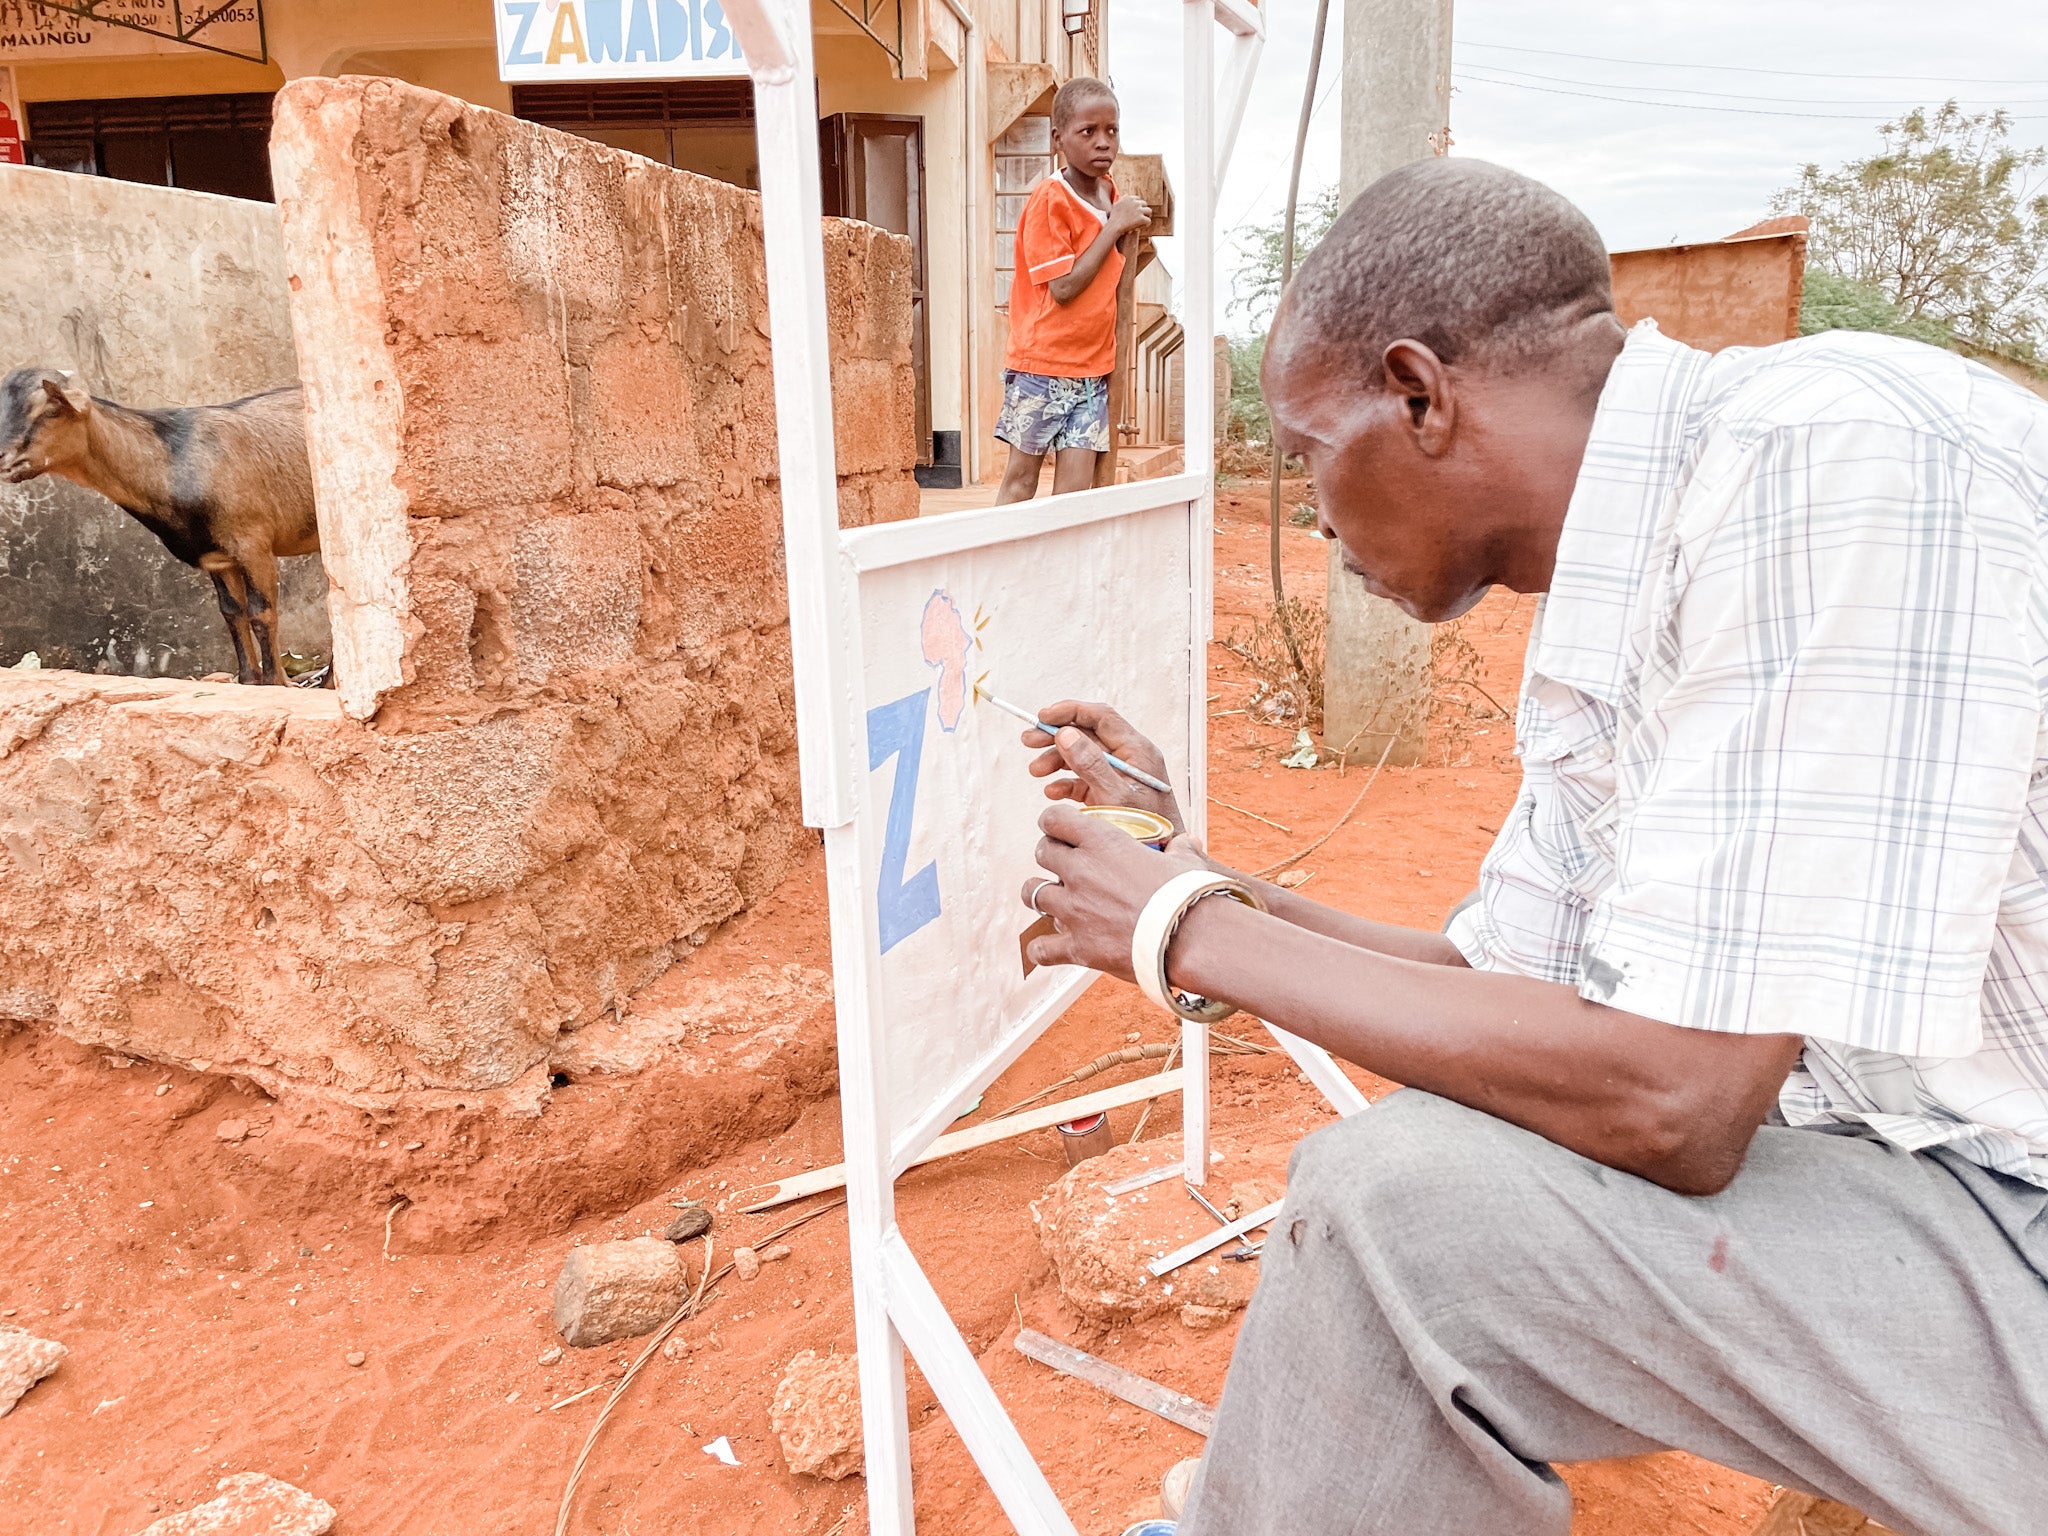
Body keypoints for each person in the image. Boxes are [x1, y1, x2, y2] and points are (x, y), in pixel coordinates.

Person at [1019, 158, 2048, 1536]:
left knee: (1404, 1214)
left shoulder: (1833, 462)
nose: (1313, 520)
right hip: (1951, 1184)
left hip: (2010, 1210)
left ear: (1421, 395)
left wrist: (1184, 928)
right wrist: (1195, 873)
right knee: (1445, 1147)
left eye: (1310, 450)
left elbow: (1675, 1104)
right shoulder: (1626, 593)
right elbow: (1491, 982)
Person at [994, 77, 1151, 504]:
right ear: (1059, 138)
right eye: (1088, 132)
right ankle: (1003, 565)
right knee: (1021, 481)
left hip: (1091, 372)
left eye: (1112, 130)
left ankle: (1059, 572)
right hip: (1041, 366)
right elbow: (1063, 287)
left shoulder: (1110, 194)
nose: (1103, 143)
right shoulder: (1051, 200)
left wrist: (1117, 219)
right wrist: (1114, 225)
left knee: (1074, 496)